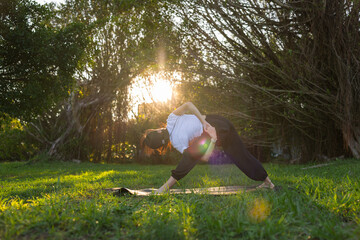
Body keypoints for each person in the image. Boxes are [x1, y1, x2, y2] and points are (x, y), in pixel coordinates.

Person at [141, 102, 275, 193]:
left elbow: (188, 105)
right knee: (240, 155)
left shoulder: (176, 140)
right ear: (158, 131)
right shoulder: (171, 119)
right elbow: (188, 105)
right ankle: (268, 182)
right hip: (219, 123)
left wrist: (205, 125)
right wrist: (205, 124)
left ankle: (164, 188)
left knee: (191, 156)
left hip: (212, 126)